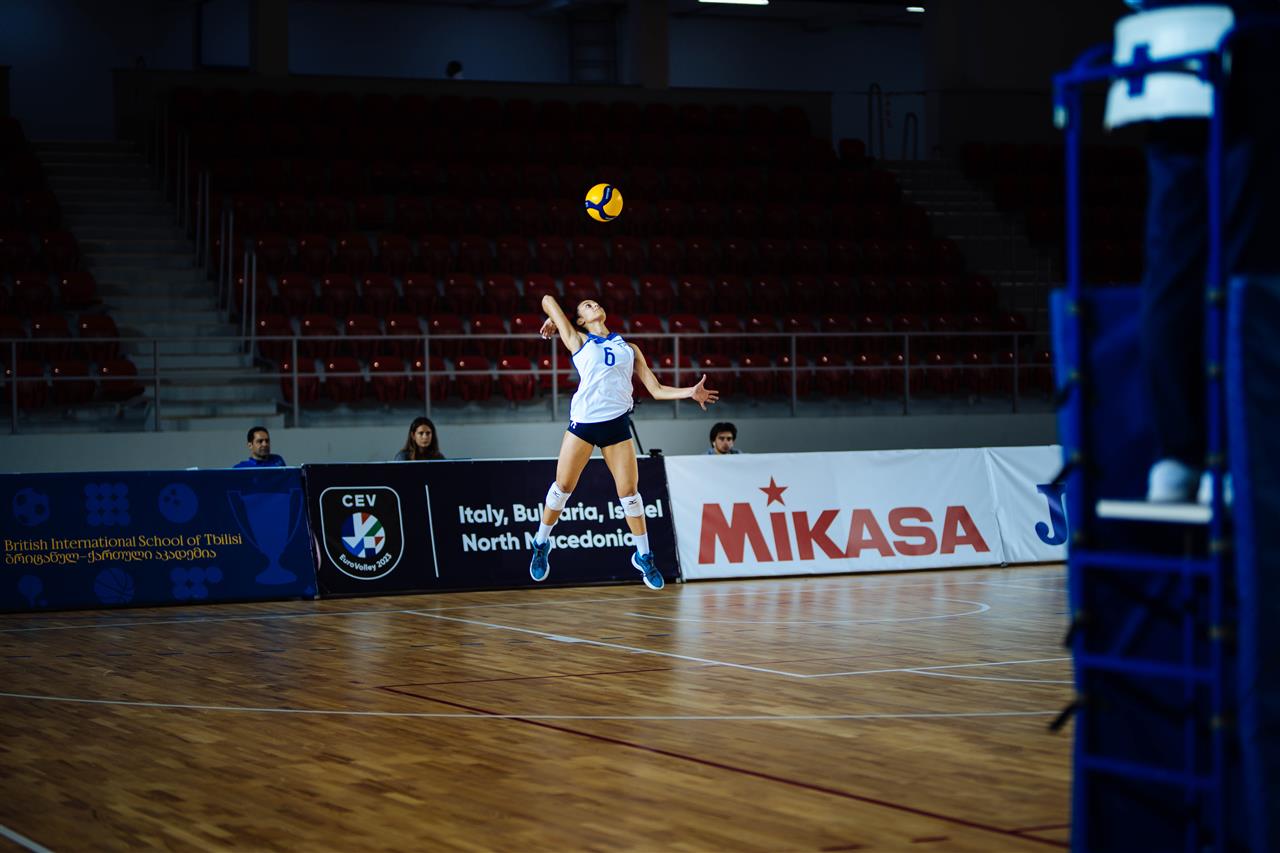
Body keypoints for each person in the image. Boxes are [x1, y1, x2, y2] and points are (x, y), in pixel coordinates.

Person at [1135, 0, 1280, 502]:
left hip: (1167, 52)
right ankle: (1235, 455)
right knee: (1244, 256)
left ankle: (1179, 459)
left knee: (1174, 265)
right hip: (1241, 42)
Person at [528, 295, 718, 590]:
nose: (594, 305)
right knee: (562, 488)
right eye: (587, 306)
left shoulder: (629, 348)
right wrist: (556, 319)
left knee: (629, 494)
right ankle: (541, 543)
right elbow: (547, 299)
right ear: (581, 320)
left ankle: (644, 556)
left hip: (616, 425)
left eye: (595, 303)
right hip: (583, 425)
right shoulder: (578, 340)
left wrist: (689, 392)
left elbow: (656, 389)